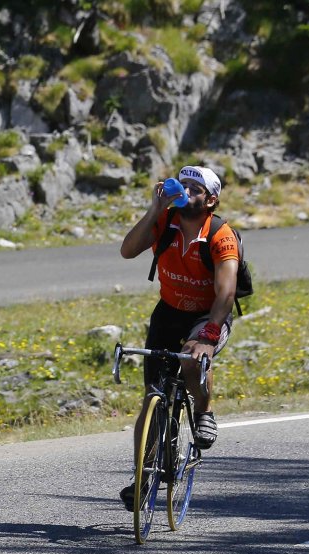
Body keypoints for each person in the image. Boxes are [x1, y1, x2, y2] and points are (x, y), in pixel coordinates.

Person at [117, 165, 238, 509]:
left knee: (191, 356)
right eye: (182, 185)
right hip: (168, 313)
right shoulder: (165, 222)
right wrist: (154, 210)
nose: (185, 191)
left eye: (195, 189)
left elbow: (226, 292)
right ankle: (142, 477)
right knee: (152, 394)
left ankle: (204, 410)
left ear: (211, 200)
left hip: (209, 313)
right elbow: (127, 250)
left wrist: (209, 337)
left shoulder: (220, 235)